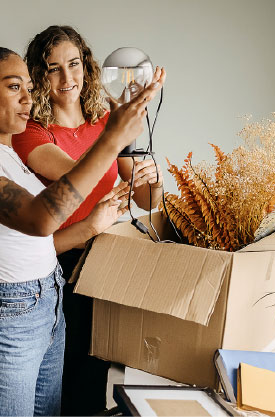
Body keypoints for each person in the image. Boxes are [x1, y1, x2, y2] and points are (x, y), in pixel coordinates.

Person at [0, 42, 163, 416]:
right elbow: (40, 218)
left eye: (29, 89)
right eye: (14, 86)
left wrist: (91, 224)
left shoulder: (8, 158)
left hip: (49, 301)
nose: (27, 99)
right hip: (6, 318)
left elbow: (39, 244)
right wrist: (113, 138)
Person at [13, 25, 167, 415]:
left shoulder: (105, 123)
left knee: (97, 364)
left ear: (88, 65)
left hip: (106, 259)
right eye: (53, 69)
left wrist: (153, 177)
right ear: (39, 76)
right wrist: (117, 135)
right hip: (61, 261)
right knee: (61, 371)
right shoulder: (32, 132)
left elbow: (147, 200)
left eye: (74, 64)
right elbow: (75, 176)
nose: (68, 79)